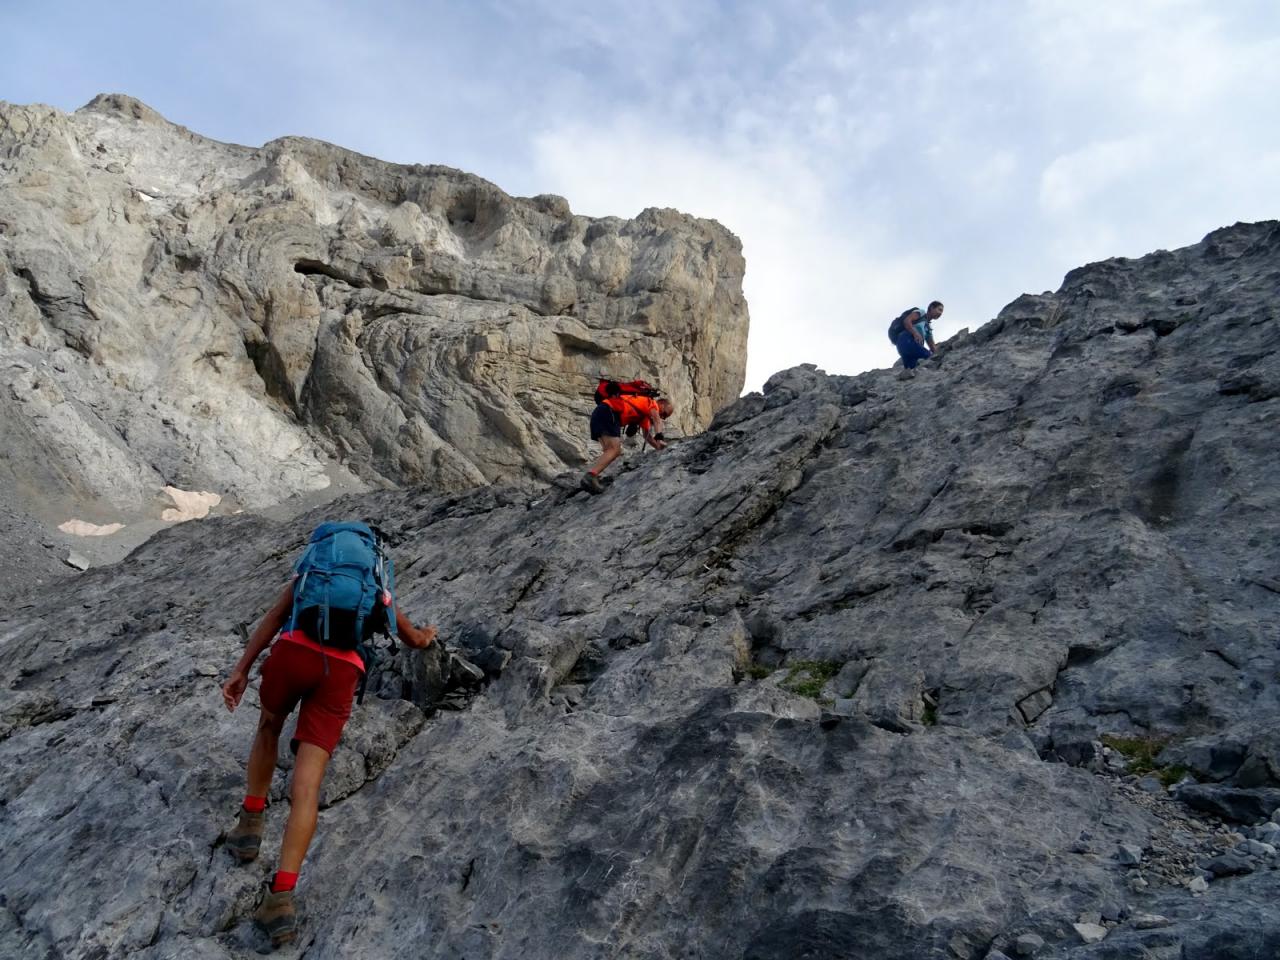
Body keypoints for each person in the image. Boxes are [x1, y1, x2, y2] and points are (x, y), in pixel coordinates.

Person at [221, 523, 437, 948]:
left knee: (269, 726)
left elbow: (275, 617)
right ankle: (280, 899)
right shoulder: (374, 583)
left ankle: (250, 823)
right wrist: (427, 637)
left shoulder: (313, 573)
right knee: (308, 784)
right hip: (341, 673)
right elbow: (410, 637)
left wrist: (242, 669)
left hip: (293, 654)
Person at [581, 390, 674, 494]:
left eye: (665, 417)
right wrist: (660, 438)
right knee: (615, 449)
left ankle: (593, 476)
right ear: (661, 404)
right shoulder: (651, 403)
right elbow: (657, 420)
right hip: (609, 412)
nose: (663, 417)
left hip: (600, 414)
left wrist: (658, 447)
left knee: (611, 451)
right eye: (665, 413)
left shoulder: (643, 416)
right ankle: (591, 476)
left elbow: (647, 437)